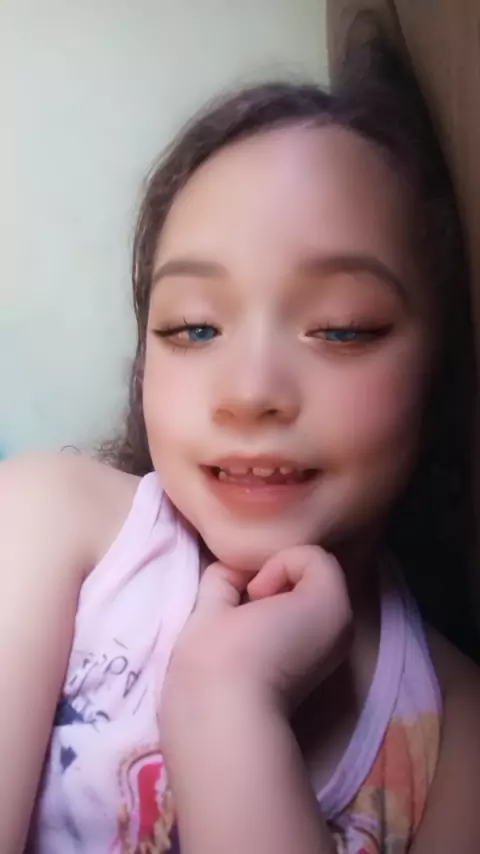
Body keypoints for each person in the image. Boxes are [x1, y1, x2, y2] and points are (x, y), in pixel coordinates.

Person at [2, 30, 480, 854]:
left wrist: (224, 702)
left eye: (341, 328)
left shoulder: (455, 728)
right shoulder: (44, 523)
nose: (251, 391)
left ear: (441, 367)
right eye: (193, 327)